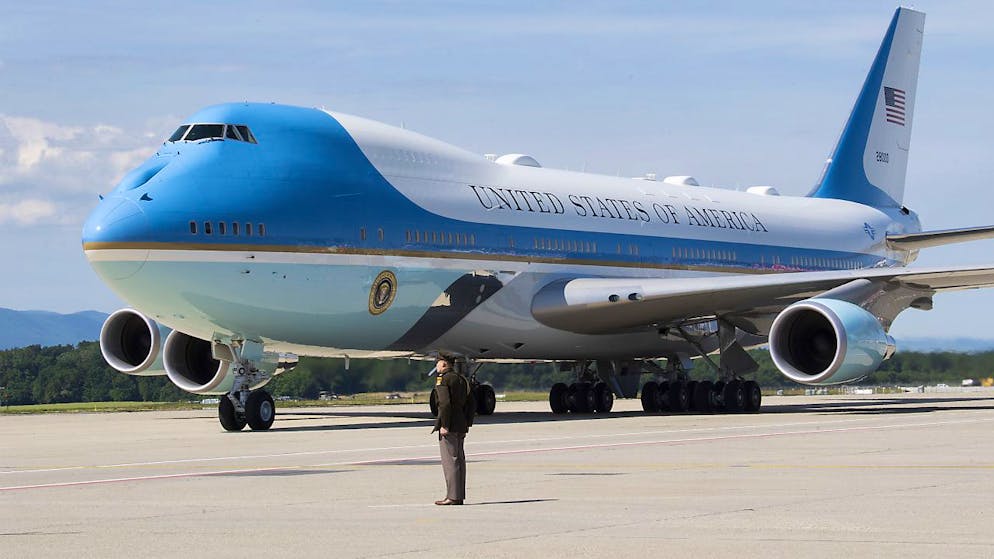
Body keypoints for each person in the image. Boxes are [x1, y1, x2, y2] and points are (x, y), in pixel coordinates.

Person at [431, 356, 472, 505]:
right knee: (459, 460)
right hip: (461, 423)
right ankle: (458, 495)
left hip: (451, 425)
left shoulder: (443, 379)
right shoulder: (461, 379)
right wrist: (467, 422)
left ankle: (453, 497)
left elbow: (444, 404)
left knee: (450, 461)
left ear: (443, 364)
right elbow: (471, 402)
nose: (436, 366)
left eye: (437, 363)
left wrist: (445, 424)